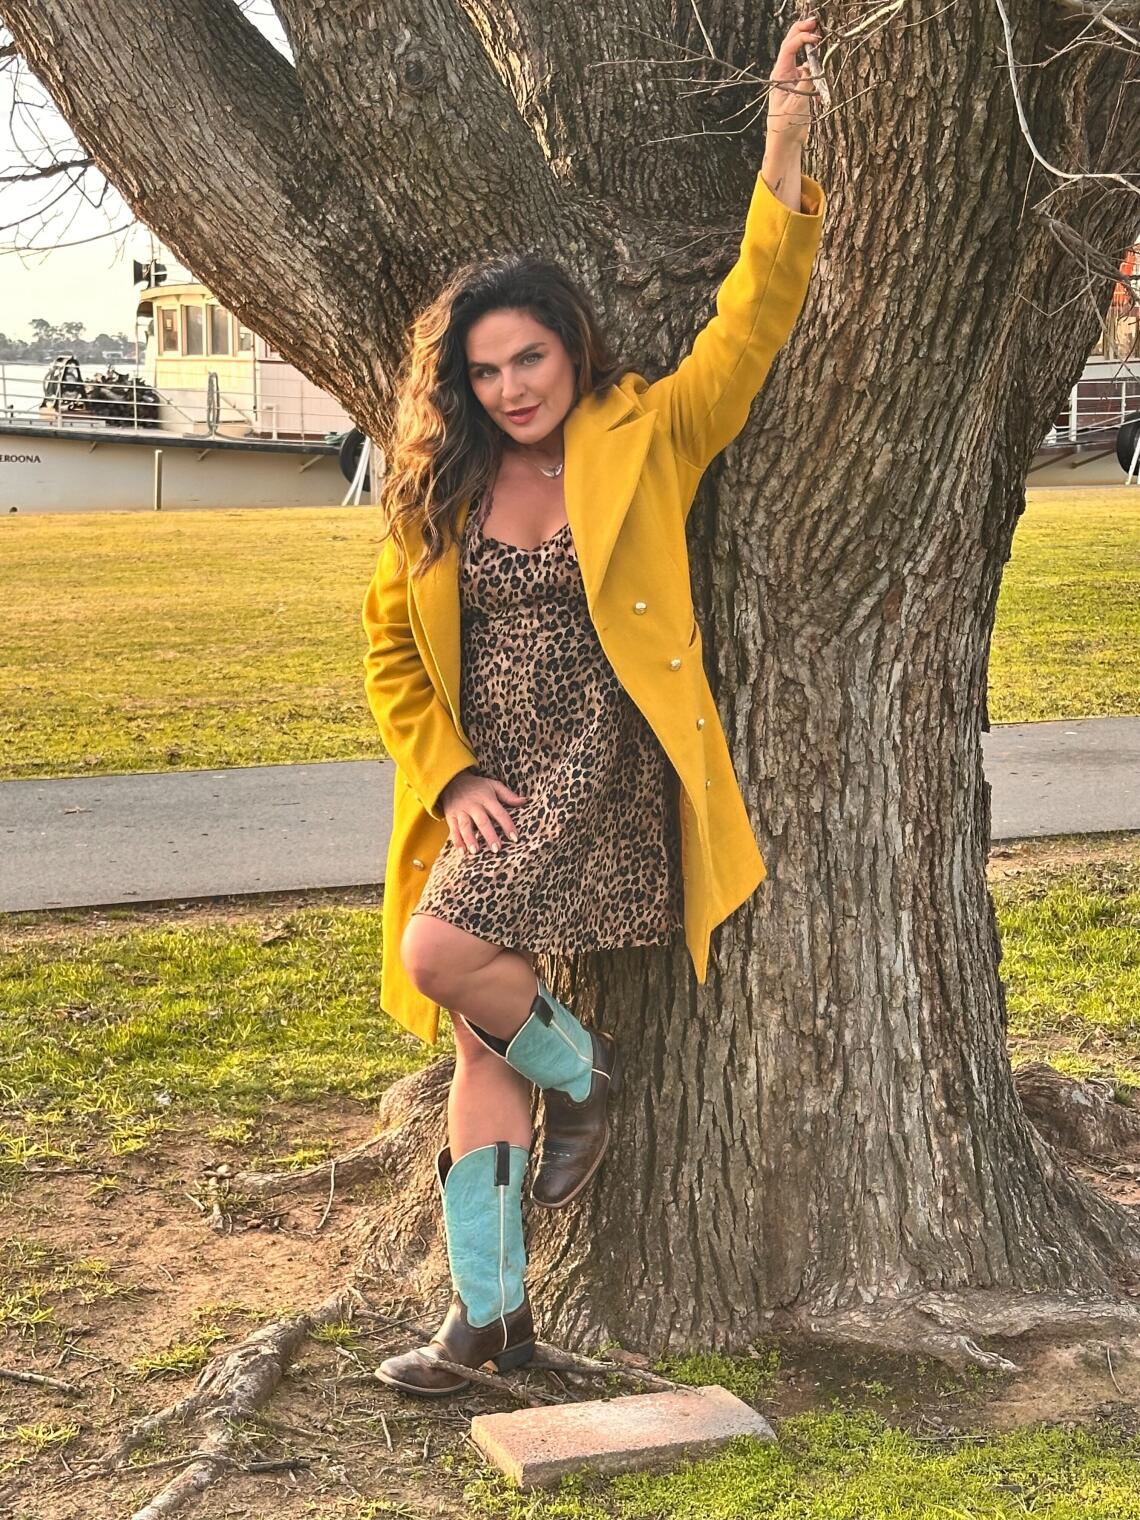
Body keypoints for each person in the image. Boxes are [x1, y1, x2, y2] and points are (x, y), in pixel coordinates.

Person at [360, 13, 827, 1397]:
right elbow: (389, 648)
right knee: (471, 1030)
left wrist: (784, 144)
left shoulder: (647, 431)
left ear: (571, 350)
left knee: (442, 956)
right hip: (489, 782)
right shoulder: (439, 479)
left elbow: (751, 322)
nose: (510, 388)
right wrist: (447, 773)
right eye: (486, 369)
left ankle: (582, 1073)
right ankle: (490, 1320)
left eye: (530, 360)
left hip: (604, 765)